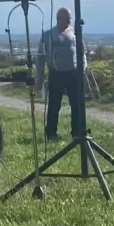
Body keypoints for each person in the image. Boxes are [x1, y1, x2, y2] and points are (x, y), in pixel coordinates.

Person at [35, 7, 87, 140]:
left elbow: (82, 52)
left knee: (76, 105)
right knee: (54, 105)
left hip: (73, 74)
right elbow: (40, 56)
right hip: (56, 73)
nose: (70, 21)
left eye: (70, 18)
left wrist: (83, 68)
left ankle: (76, 133)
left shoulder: (75, 34)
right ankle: (51, 133)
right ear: (59, 18)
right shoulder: (48, 35)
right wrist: (39, 79)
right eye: (68, 18)